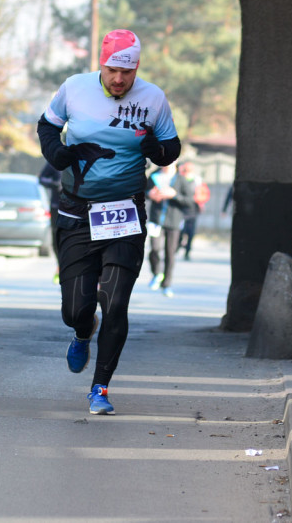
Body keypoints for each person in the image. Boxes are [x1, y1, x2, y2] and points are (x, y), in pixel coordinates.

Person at [37, 29, 180, 415]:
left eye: (128, 71)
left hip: (125, 212)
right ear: (100, 65)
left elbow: (172, 147)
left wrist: (157, 150)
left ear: (137, 69)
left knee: (115, 304)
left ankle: (99, 388)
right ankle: (83, 331)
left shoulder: (153, 99)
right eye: (113, 70)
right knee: (75, 310)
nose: (119, 79)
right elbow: (47, 125)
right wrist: (56, 152)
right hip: (78, 211)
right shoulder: (74, 88)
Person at [145, 162, 193, 297]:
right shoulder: (154, 176)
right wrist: (150, 194)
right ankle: (156, 274)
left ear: (175, 162)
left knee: (170, 253)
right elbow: (143, 192)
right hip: (155, 220)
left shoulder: (181, 180)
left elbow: (190, 201)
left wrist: (174, 195)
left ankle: (167, 284)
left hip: (174, 221)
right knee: (154, 249)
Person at [176, 160, 208, 260]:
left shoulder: (198, 180)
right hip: (180, 208)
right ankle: (177, 246)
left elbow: (204, 193)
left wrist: (201, 203)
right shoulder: (179, 178)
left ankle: (187, 251)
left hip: (193, 209)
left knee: (190, 232)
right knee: (180, 230)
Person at [38, 160, 62, 282]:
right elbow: (41, 179)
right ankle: (60, 265)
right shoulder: (56, 159)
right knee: (56, 237)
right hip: (56, 206)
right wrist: (55, 184)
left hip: (78, 206)